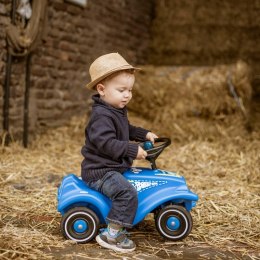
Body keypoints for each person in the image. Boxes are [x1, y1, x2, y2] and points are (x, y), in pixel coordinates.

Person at [81, 53, 158, 253]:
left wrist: (144, 133)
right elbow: (107, 143)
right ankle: (112, 235)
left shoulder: (115, 109)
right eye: (121, 90)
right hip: (100, 171)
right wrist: (132, 150)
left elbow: (126, 129)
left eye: (130, 90)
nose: (127, 95)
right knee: (126, 192)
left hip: (112, 167)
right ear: (102, 89)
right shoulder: (101, 116)